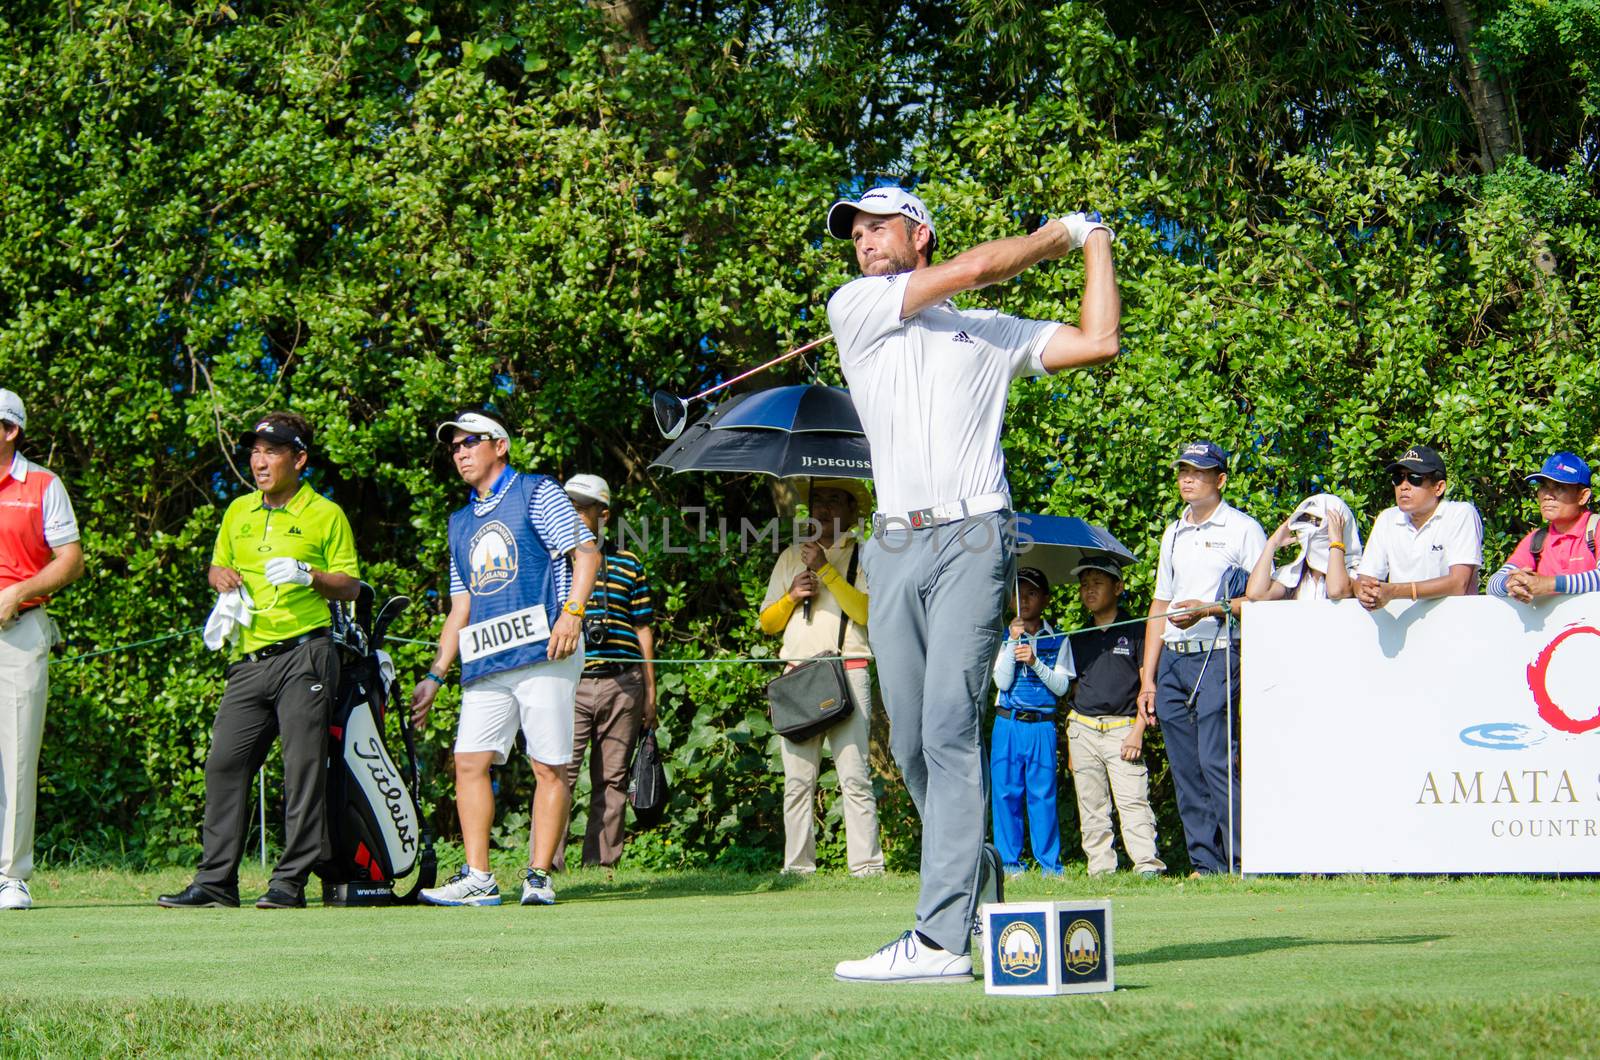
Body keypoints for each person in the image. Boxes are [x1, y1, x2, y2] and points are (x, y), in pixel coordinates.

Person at [823, 185, 1121, 983]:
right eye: (855, 232)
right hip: (892, 543)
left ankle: (939, 938)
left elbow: (1098, 341)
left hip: (973, 533)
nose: (863, 241)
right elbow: (982, 266)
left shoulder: (991, 333)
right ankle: (976, 875)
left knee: (951, 727)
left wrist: (1095, 240)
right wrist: (1055, 231)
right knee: (914, 741)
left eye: (879, 227)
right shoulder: (855, 305)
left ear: (918, 234)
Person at [159, 412, 360, 909]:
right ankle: (216, 881)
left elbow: (350, 585)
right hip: (250, 658)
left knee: (302, 770)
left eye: (272, 451)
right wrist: (220, 577)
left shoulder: (325, 514)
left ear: (299, 459)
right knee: (224, 763)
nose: (260, 461)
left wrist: (307, 573)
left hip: (306, 654)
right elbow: (217, 565)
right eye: (255, 451)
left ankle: (289, 883)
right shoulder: (238, 511)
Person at [409, 410, 600, 907]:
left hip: (545, 648)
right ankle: (479, 877)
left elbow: (586, 553)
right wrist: (434, 675)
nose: (460, 452)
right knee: (468, 762)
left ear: (499, 445)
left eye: (470, 442)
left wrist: (572, 614)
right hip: (485, 658)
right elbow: (461, 606)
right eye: (453, 446)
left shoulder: (537, 492)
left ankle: (538, 876)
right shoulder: (457, 522)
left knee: (548, 764)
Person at [1137, 441, 1265, 877]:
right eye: (1183, 471)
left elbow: (1261, 600)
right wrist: (1147, 680)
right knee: (1186, 768)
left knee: (1215, 761)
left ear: (1220, 480)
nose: (1187, 478)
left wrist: (1209, 609)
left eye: (1198, 471)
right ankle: (1203, 864)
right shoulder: (1173, 532)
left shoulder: (1243, 529)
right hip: (1172, 660)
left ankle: (1242, 860)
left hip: (1219, 654)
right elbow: (1160, 606)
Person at [759, 478, 884, 877]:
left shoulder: (865, 553)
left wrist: (826, 571)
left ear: (851, 510)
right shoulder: (790, 556)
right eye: (818, 500)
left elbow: (864, 613)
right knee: (797, 780)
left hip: (849, 669)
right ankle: (798, 868)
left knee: (855, 776)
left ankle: (865, 867)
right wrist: (792, 596)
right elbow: (767, 623)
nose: (824, 507)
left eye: (834, 500)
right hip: (798, 673)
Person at [0, 391, 85, 911]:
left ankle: (11, 875)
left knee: (16, 755)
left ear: (9, 430)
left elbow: (70, 560)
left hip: (21, 630)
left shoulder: (43, 485)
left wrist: (18, 592)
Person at [555, 473, 658, 872]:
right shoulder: (555, 560)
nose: (574, 514)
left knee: (612, 780)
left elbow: (643, 627)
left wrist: (650, 691)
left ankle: (601, 867)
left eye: (581, 508)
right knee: (558, 774)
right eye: (569, 507)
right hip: (569, 682)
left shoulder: (629, 563)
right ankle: (546, 865)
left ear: (604, 514)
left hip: (623, 681)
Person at [1065, 561, 1164, 877]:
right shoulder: (1078, 636)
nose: (1089, 590)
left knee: (1133, 801)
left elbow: (1146, 687)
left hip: (1122, 728)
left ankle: (1147, 865)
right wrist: (1073, 740)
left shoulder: (1136, 630)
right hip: (1083, 729)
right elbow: (1075, 690)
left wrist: (1138, 731)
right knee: (1091, 807)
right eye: (1084, 584)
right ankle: (1100, 869)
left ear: (1118, 587)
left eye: (1097, 582)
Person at [988, 567, 1073, 878]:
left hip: (1041, 725)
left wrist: (1035, 662)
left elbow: (1062, 688)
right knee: (1006, 793)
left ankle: (1050, 865)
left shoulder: (1059, 637)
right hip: (1008, 723)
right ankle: (1010, 865)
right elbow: (1002, 680)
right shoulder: (1003, 637)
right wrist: (1012, 645)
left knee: (1043, 795)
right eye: (1017, 594)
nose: (1023, 599)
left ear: (1046, 599)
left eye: (1031, 593)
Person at [1356, 445, 1483, 609]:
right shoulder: (1387, 518)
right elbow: (1365, 579)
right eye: (1398, 478)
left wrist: (1394, 591)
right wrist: (1366, 592)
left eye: (1414, 478)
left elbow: (1458, 584)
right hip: (1401, 626)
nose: (1404, 486)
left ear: (1439, 487)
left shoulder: (1459, 514)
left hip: (1453, 624)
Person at [1487, 452, 1599, 600]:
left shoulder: (1595, 529)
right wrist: (1511, 583)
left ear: (1583, 496)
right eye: (1544, 487)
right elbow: (1492, 584)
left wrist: (1549, 584)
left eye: (1559, 487)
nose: (1548, 495)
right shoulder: (1537, 539)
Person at [1245, 493, 1362, 602]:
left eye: (1317, 522)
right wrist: (1272, 544)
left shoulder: (1356, 574)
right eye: (1304, 519)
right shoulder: (1294, 576)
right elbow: (1255, 593)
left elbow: (1336, 590)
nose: (1308, 527)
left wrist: (1336, 542)